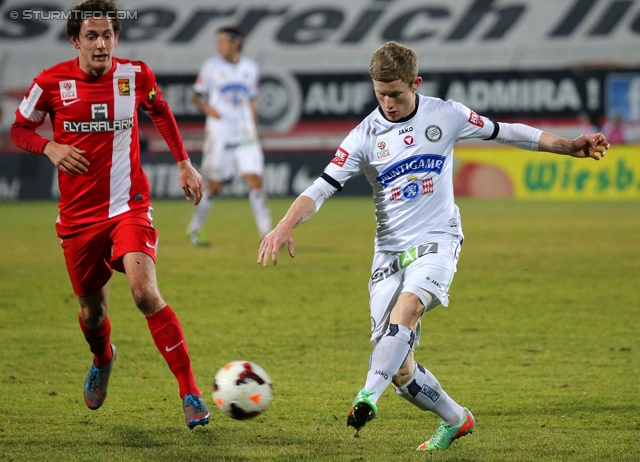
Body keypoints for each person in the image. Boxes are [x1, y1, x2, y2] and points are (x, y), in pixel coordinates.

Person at [258, 41, 609, 451]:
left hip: (439, 238)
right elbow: (321, 188)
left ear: (415, 83)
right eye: (380, 94)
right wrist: (284, 223)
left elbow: (507, 131)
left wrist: (568, 146)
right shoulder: (364, 136)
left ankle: (366, 395)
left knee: (407, 309)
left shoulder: (447, 114)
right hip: (389, 252)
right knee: (403, 373)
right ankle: (456, 419)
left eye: (396, 93)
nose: (387, 103)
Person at [11, 0, 210, 429]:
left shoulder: (135, 76)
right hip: (78, 218)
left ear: (116, 37)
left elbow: (161, 110)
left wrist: (182, 162)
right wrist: (49, 146)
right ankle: (103, 357)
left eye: (108, 35)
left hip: (129, 206)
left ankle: (189, 391)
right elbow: (19, 128)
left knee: (144, 293)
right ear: (75, 41)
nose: (101, 44)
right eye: (92, 36)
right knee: (93, 314)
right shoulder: (49, 82)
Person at [186, 26, 271, 246]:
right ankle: (195, 229)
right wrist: (208, 110)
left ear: (236, 43)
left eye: (223, 41)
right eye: (218, 42)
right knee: (214, 185)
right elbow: (196, 97)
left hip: (245, 134)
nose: (219, 46)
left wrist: (254, 125)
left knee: (255, 182)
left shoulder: (250, 68)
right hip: (220, 135)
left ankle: (267, 234)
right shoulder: (211, 67)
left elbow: (252, 100)